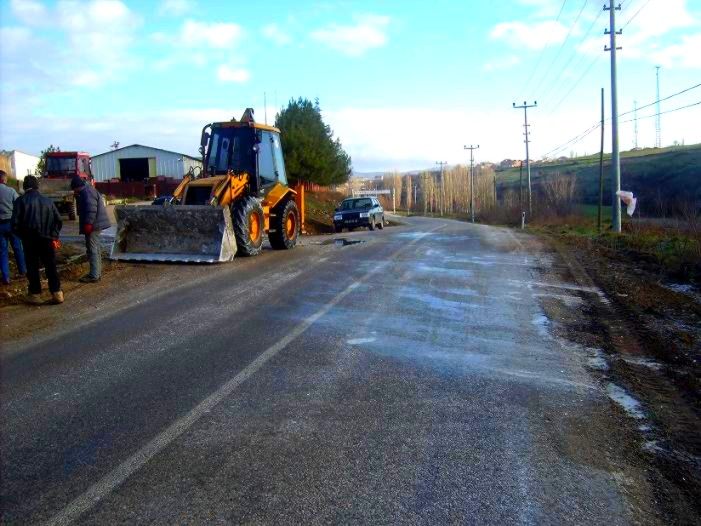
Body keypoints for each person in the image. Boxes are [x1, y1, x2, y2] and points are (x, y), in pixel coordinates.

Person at [11, 175, 63, 305]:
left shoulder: (20, 201)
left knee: (32, 267)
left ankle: (35, 294)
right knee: (51, 266)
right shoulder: (48, 201)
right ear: (36, 186)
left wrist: (23, 236)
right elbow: (58, 221)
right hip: (47, 239)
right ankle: (57, 293)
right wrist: (53, 235)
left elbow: (14, 224)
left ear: (24, 187)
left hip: (30, 241)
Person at [71, 177, 110, 283]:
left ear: (77, 187)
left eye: (74, 189)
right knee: (95, 248)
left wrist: (88, 223)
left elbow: (90, 209)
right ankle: (97, 273)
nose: (74, 191)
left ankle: (94, 275)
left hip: (93, 225)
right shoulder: (89, 190)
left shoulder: (87, 192)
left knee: (92, 249)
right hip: (95, 224)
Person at [0, 170, 27, 285]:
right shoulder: (11, 191)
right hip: (11, 224)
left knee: (2, 251)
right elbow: (19, 205)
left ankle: (6, 277)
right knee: (17, 248)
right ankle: (23, 272)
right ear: (3, 179)